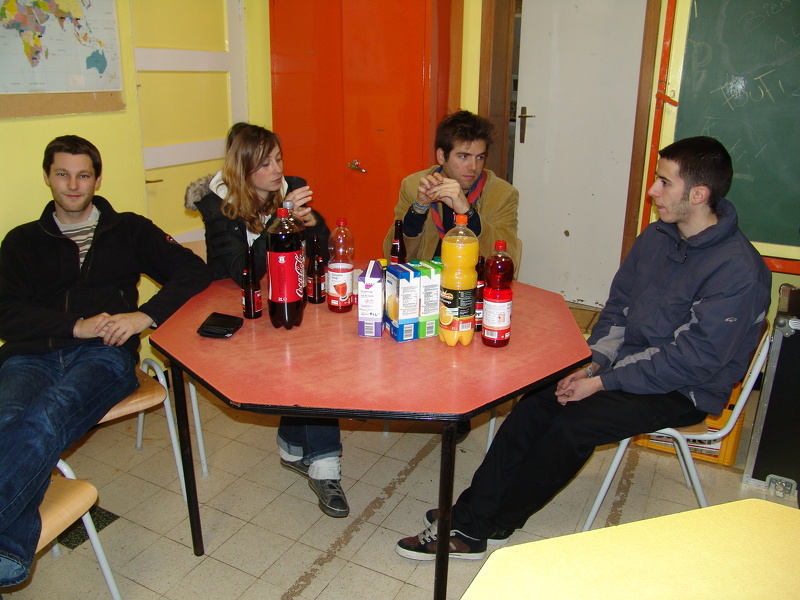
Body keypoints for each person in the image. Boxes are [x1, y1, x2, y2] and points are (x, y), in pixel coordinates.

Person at [395, 136, 772, 560]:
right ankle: (473, 511)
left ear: (698, 195)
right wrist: (591, 364)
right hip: (625, 365)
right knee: (539, 399)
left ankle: (484, 528)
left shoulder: (738, 271)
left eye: (665, 183)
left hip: (683, 388)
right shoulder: (657, 237)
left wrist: (602, 382)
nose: (652, 190)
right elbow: (618, 309)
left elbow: (691, 360)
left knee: (573, 425)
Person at [0, 135, 211, 587]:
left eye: (83, 175)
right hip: (32, 354)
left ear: (97, 180)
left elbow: (194, 271)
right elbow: (6, 313)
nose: (73, 185)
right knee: (7, 422)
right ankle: (11, 550)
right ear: (47, 177)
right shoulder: (21, 241)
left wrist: (144, 316)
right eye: (63, 174)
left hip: (106, 355)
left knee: (46, 416)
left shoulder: (129, 229)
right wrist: (74, 325)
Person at [187, 124, 349, 518]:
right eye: (265, 164)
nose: (277, 170)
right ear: (242, 170)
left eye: (278, 159)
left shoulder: (292, 187)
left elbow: (323, 251)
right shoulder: (217, 204)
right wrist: (281, 221)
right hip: (243, 311)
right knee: (309, 363)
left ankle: (298, 449)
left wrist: (312, 224)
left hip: (287, 299)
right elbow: (239, 271)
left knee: (317, 353)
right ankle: (324, 465)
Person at [382, 110, 519, 263]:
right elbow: (391, 256)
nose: (473, 167)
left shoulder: (502, 194)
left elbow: (508, 261)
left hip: (471, 276)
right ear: (441, 156)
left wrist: (468, 212)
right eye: (463, 156)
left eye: (480, 157)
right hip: (426, 275)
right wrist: (418, 210)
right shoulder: (414, 186)